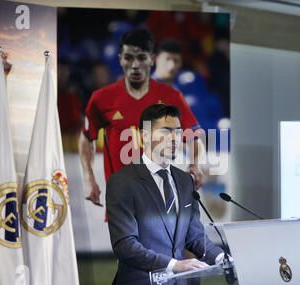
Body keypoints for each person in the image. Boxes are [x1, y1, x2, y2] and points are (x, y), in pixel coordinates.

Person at [106, 103, 225, 285]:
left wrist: (221, 257)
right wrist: (173, 265)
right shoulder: (122, 181)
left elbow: (194, 237)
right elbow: (125, 244)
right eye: (166, 131)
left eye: (178, 133)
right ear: (144, 136)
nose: (174, 139)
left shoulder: (185, 181)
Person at [79, 29, 205, 209]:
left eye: (142, 58)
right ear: (120, 59)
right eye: (129, 58)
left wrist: (195, 164)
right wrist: (88, 176)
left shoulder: (171, 96)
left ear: (152, 59)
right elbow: (86, 137)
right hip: (122, 201)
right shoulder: (101, 99)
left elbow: (193, 135)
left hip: (163, 203)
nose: (135, 64)